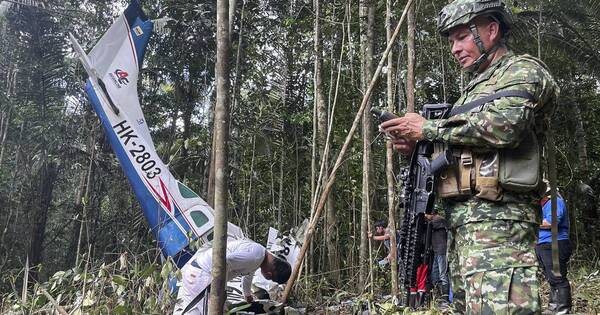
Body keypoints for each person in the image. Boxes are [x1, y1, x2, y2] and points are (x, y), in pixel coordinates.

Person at [380, 0, 559, 313]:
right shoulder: (472, 91)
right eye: (451, 41)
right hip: (464, 229)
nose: (454, 49)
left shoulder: (523, 71)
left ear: (491, 30)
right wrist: (418, 146)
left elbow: (505, 127)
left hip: (501, 226)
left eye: (461, 37)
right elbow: (464, 147)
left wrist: (427, 129)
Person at [173, 238, 292, 315]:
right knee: (215, 311)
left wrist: (247, 295)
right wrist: (220, 292)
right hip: (202, 276)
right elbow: (224, 262)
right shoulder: (254, 257)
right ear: (269, 274)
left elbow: (247, 276)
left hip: (198, 273)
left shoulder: (259, 254)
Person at [536, 192, 572, 314]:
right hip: (543, 244)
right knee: (551, 277)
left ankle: (563, 310)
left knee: (558, 278)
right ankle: (553, 307)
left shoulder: (554, 202)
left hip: (555, 243)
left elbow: (552, 222)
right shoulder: (540, 206)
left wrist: (532, 223)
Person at [425, 213, 450, 308]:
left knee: (443, 275)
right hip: (436, 252)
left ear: (432, 213)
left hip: (441, 251)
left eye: (427, 214)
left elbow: (431, 224)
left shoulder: (438, 219)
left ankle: (445, 300)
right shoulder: (433, 221)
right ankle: (440, 297)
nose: (425, 216)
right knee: (434, 276)